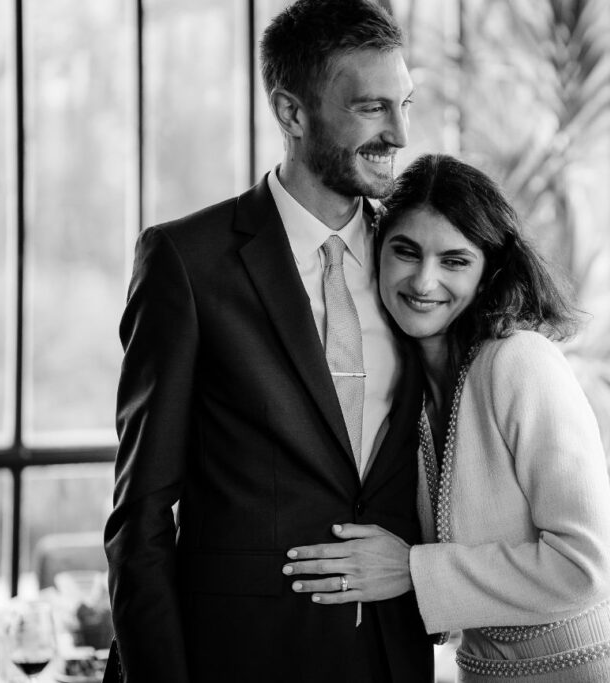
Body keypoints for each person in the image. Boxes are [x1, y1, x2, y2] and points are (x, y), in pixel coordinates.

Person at [103, 1, 433, 681]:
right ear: (291, 113)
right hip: (238, 655)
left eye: (404, 104)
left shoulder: (419, 264)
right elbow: (140, 516)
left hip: (391, 657)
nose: (399, 132)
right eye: (372, 108)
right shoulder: (187, 262)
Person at [282, 153, 610, 681]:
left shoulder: (520, 361)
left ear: (488, 273)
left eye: (454, 261)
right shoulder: (407, 386)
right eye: (405, 252)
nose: (424, 281)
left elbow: (587, 567)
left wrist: (412, 570)